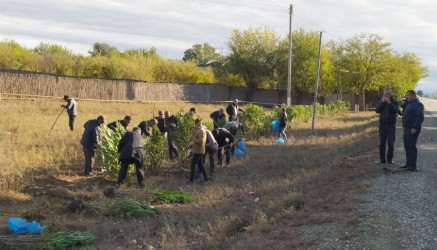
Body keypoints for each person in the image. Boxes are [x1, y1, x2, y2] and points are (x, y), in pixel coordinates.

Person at [400, 90, 424, 171]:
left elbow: (420, 117)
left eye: (408, 95)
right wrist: (404, 125)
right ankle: (408, 163)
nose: (406, 97)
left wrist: (415, 127)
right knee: (407, 146)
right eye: (406, 95)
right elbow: (405, 115)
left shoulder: (418, 105)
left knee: (411, 147)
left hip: (412, 129)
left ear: (413, 95)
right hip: (406, 128)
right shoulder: (409, 104)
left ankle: (413, 166)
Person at [375, 89, 399, 164]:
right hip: (382, 124)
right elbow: (377, 110)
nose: (387, 96)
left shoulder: (395, 102)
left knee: (391, 142)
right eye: (386, 94)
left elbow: (395, 111)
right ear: (383, 94)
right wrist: (382, 102)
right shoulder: (381, 101)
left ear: (391, 94)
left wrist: (389, 103)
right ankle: (382, 159)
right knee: (382, 142)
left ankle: (390, 159)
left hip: (391, 124)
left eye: (389, 94)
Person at [188, 119, 208, 183]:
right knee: (200, 165)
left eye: (196, 124)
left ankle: (191, 180)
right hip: (197, 150)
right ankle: (206, 177)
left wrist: (194, 139)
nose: (196, 125)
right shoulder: (199, 130)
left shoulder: (202, 131)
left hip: (199, 150)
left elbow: (201, 141)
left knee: (193, 165)